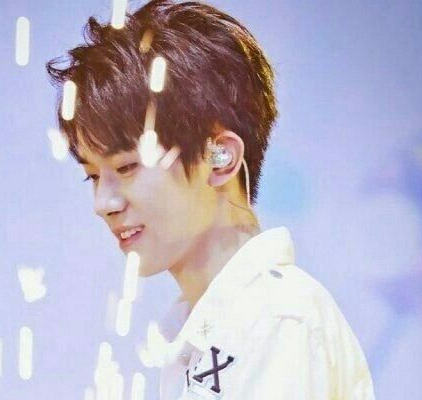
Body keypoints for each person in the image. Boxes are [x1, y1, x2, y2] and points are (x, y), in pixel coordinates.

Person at [46, 0, 375, 398]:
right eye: (94, 176)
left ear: (220, 158)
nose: (103, 204)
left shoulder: (278, 318)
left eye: (127, 167)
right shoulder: (212, 327)